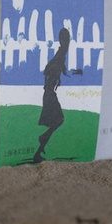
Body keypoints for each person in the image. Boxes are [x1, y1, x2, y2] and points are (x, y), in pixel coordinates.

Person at [33, 26, 82, 163]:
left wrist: (71, 73)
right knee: (59, 120)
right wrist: (53, 76)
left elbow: (63, 72)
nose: (68, 43)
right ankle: (42, 140)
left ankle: (40, 147)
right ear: (63, 41)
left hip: (50, 93)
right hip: (49, 94)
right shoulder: (60, 54)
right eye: (67, 40)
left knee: (58, 121)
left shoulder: (61, 55)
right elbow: (48, 69)